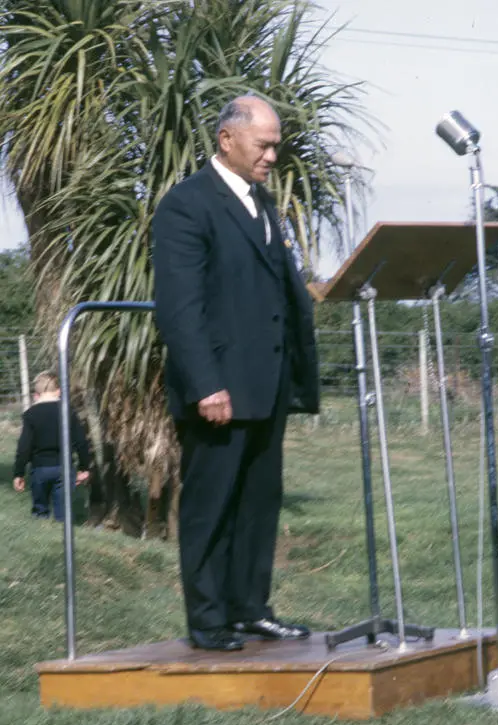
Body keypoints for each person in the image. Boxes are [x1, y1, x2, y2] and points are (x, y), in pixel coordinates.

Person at [153, 95, 319, 651]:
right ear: (227, 140)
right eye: (264, 144)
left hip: (266, 384)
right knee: (211, 505)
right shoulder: (188, 204)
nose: (272, 155)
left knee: (257, 502)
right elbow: (181, 306)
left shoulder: (262, 203)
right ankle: (208, 621)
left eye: (276, 145)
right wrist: (206, 384)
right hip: (219, 388)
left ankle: (251, 609)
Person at [13, 371, 90, 521]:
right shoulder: (68, 411)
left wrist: (19, 473)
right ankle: (64, 538)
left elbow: (24, 447)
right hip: (64, 468)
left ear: (37, 393)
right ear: (59, 390)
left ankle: (42, 535)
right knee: (63, 512)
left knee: (40, 510)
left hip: (40, 469)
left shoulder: (31, 414)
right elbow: (81, 442)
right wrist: (84, 467)